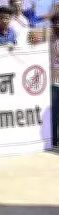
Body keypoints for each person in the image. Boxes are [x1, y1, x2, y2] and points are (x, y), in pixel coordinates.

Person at [50, 13, 59, 146]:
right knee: (53, 112)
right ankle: (52, 140)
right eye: (55, 22)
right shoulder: (45, 39)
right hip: (51, 82)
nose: (57, 25)